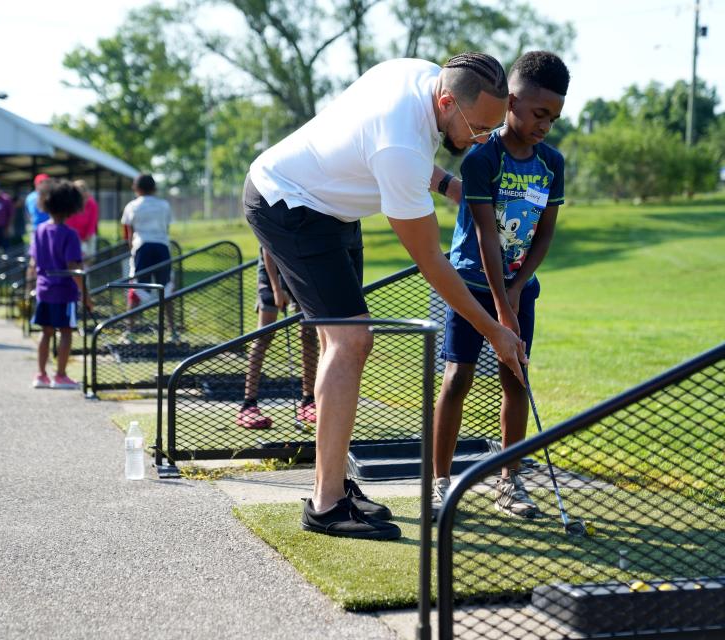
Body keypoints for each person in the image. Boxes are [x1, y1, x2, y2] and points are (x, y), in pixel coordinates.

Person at [244, 52, 526, 541]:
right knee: (351, 341)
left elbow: (390, 145)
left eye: (491, 128)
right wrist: (494, 331)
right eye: (479, 127)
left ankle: (329, 484)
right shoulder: (400, 148)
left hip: (333, 206)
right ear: (445, 101)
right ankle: (326, 504)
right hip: (288, 203)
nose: (482, 140)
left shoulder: (418, 76)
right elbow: (432, 264)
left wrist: (446, 184)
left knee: (350, 342)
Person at [431, 51, 570, 520]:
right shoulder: (480, 159)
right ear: (511, 100)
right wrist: (501, 303)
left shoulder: (552, 164)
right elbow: (488, 237)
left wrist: (518, 287)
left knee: (516, 378)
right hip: (469, 283)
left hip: (520, 288)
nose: (545, 125)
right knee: (459, 378)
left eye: (553, 117)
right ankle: (440, 483)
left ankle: (509, 483)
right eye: (538, 113)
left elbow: (545, 232)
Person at [237, 248, 319, 429]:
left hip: (300, 270)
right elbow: (268, 248)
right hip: (271, 272)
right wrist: (276, 289)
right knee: (264, 336)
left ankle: (308, 401)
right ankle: (248, 405)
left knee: (309, 334)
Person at [26, 179, 94, 389]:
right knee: (65, 332)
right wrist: (86, 294)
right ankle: (61, 375)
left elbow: (33, 262)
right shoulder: (70, 234)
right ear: (70, 207)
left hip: (44, 289)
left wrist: (30, 286)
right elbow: (73, 266)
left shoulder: (39, 231)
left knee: (45, 333)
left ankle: (41, 375)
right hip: (64, 291)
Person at [120, 173, 177, 340]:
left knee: (136, 287)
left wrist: (132, 251)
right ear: (153, 188)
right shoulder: (164, 205)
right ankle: (172, 331)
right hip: (162, 248)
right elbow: (166, 229)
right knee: (166, 288)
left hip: (142, 248)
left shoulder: (132, 206)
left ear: (136, 188)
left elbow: (129, 234)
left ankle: (130, 331)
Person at [67, 180, 100, 261]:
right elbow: (69, 222)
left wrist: (84, 240)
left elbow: (92, 223)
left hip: (87, 238)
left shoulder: (92, 203)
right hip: (73, 238)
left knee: (87, 261)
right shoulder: (71, 203)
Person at [24, 173, 52, 241]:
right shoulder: (30, 197)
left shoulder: (52, 195)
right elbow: (27, 214)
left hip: (51, 230)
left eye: (47, 182)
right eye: (41, 182)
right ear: (36, 184)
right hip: (36, 230)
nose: (44, 184)